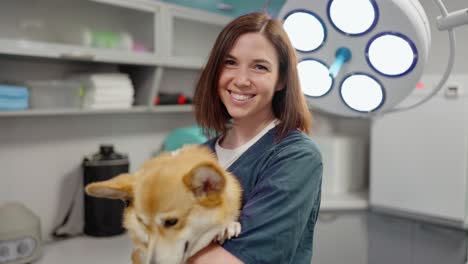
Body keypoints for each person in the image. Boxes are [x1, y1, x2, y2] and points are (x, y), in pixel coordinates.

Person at [189, 12, 323, 264]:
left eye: (259, 66)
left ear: (281, 79)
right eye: (229, 62)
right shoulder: (197, 157)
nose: (240, 80)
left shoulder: (296, 156)